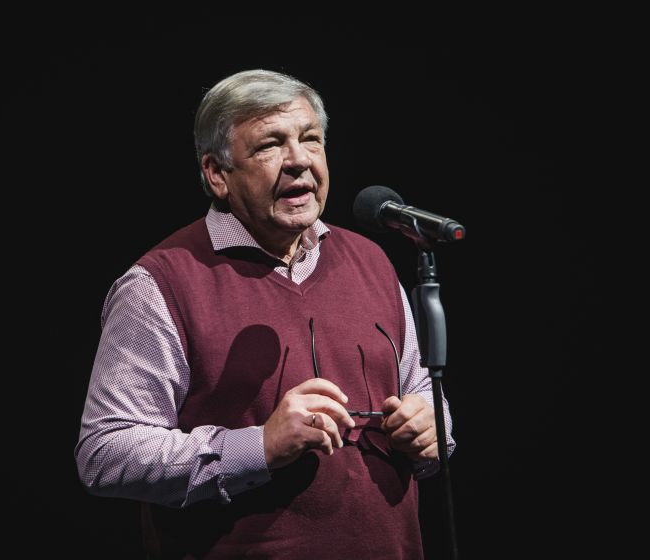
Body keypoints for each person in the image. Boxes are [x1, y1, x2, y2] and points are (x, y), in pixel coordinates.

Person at [75, 69, 454, 559]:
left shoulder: (372, 261)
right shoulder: (161, 283)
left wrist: (429, 428)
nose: (298, 160)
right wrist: (259, 447)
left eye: (310, 139)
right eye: (270, 145)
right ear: (217, 174)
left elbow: (421, 393)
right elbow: (106, 453)